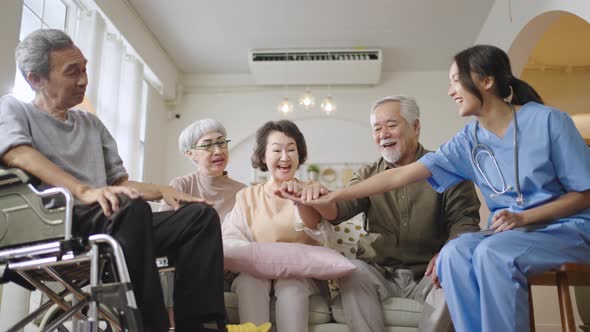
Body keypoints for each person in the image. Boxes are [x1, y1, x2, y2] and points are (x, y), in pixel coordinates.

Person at [284, 45, 590, 332]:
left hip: (564, 228)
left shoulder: (550, 121)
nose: (450, 91)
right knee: (455, 253)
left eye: (456, 80)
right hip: (511, 233)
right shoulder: (468, 139)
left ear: (486, 80)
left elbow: (585, 194)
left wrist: (525, 217)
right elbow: (395, 177)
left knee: (490, 254)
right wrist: (334, 194)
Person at [0, 29, 228, 332]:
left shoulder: (90, 124)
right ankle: (148, 326)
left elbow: (119, 183)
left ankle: (199, 326)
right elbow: (16, 153)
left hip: (112, 217)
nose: (83, 80)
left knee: (200, 217)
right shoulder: (14, 108)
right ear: (35, 79)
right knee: (127, 208)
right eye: (72, 72)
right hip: (55, 221)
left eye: (84, 68)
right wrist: (84, 190)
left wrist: (161, 190)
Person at [280, 96, 481, 332]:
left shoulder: (447, 170)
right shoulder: (367, 173)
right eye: (377, 128)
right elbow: (338, 212)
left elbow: (465, 222)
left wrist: (448, 254)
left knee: (456, 269)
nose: (383, 133)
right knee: (353, 271)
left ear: (415, 127)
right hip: (379, 271)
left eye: (391, 125)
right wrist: (313, 198)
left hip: (431, 273)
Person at [222, 120, 327, 332]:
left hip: (300, 273)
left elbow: (321, 236)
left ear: (300, 155)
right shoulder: (247, 196)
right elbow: (230, 239)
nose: (285, 157)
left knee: (291, 286)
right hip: (254, 271)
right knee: (249, 282)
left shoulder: (311, 191)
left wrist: (300, 200)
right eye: (277, 150)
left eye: (291, 150)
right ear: (263, 156)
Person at [159, 118, 246, 326]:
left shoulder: (243, 191)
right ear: (191, 154)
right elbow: (165, 235)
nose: (218, 150)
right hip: (194, 270)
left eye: (221, 142)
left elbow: (250, 236)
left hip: (234, 270)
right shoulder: (181, 185)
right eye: (208, 145)